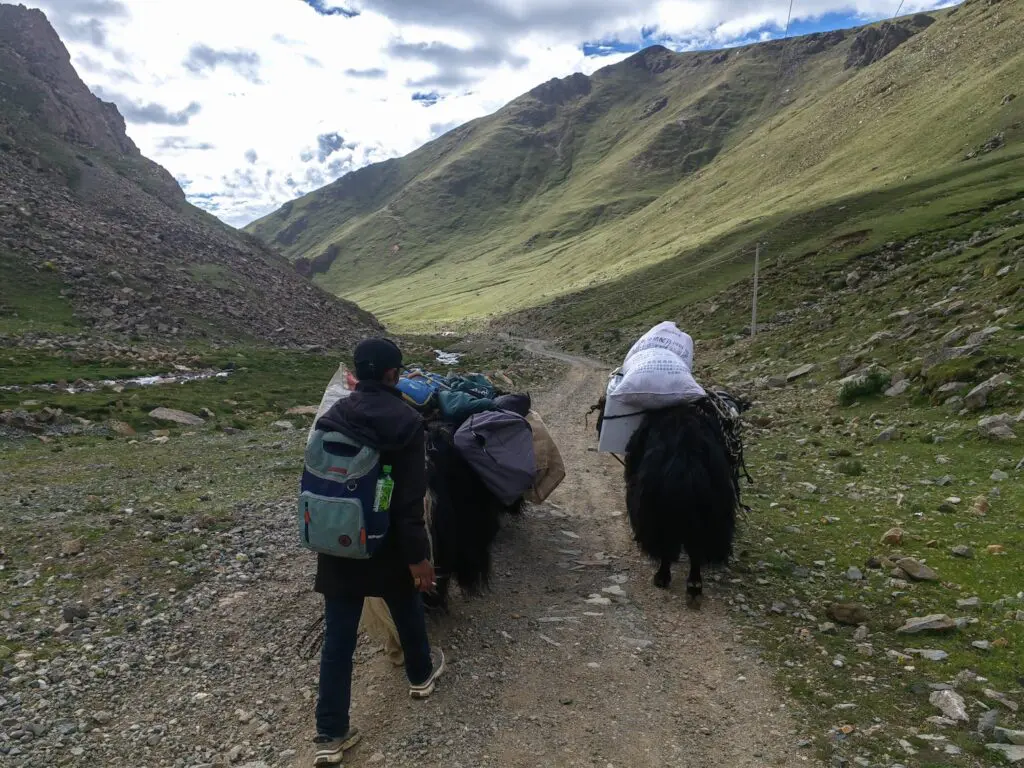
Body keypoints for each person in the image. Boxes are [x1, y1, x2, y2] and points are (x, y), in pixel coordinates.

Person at [311, 338, 444, 766]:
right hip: (386, 540)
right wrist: (419, 557)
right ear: (392, 374)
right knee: (406, 606)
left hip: (340, 538)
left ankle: (330, 733)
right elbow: (409, 502)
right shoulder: (406, 420)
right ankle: (420, 676)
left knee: (338, 637)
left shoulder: (334, 414)